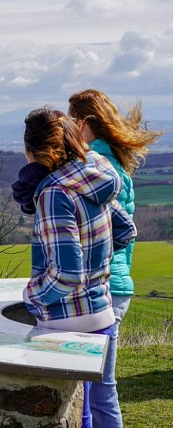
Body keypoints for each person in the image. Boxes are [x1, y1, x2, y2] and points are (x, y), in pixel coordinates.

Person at [13, 108, 136, 428]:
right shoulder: (91, 178)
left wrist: (34, 295)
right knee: (102, 401)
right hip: (101, 311)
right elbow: (125, 230)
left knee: (71, 414)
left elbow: (67, 274)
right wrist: (97, 268)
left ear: (33, 152)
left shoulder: (55, 192)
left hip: (66, 319)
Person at [68, 89, 163, 426]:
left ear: (82, 123)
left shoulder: (97, 164)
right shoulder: (114, 161)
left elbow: (113, 231)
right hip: (116, 283)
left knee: (97, 391)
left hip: (103, 286)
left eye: (70, 121)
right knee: (98, 389)